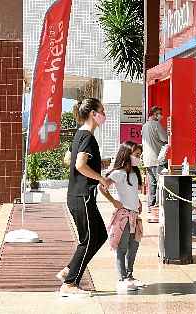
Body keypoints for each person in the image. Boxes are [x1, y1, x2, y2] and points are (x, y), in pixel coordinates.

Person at [58, 98, 109, 297]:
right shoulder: (87, 137)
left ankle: (69, 270)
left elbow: (67, 160)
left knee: (100, 235)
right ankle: (70, 284)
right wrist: (101, 178)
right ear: (93, 114)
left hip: (78, 196)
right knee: (88, 240)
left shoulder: (79, 135)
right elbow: (79, 165)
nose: (104, 114)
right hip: (82, 196)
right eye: (102, 111)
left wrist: (99, 163)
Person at [101, 141, 144, 293]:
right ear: (127, 154)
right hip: (124, 216)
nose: (138, 158)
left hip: (135, 215)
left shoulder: (134, 173)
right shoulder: (118, 173)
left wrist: (138, 202)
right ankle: (122, 278)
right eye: (136, 155)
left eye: (139, 155)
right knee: (122, 247)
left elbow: (132, 192)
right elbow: (102, 185)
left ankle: (130, 275)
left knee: (134, 246)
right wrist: (113, 202)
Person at [142, 106, 168, 209]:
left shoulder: (144, 126)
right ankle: (158, 206)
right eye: (159, 113)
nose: (161, 116)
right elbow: (165, 139)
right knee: (159, 183)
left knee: (152, 183)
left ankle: (150, 205)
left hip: (147, 160)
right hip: (157, 159)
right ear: (154, 114)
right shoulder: (156, 125)